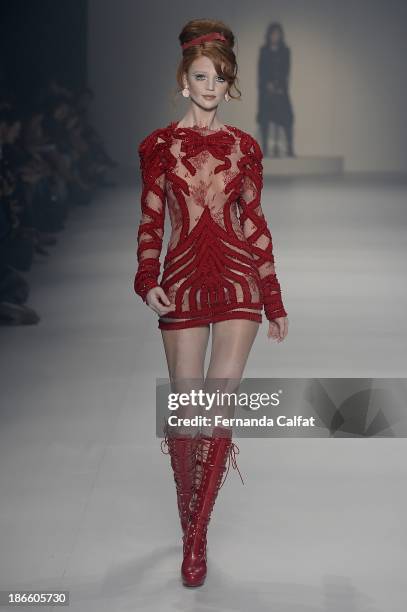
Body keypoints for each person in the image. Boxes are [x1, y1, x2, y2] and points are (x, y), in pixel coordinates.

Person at [133, 18, 289, 587]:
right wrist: (145, 277)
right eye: (202, 75)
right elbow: (151, 219)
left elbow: (256, 223)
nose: (210, 85)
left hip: (238, 281)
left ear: (230, 85)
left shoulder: (245, 148)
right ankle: (187, 521)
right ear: (184, 79)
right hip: (180, 280)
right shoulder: (156, 147)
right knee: (185, 407)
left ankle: (195, 539)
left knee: (217, 411)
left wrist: (273, 298)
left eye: (221, 78)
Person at [257, 22, 295, 157]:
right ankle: (265, 150)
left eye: (278, 33)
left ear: (281, 35)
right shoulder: (264, 51)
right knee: (266, 119)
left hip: (281, 91)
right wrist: (267, 85)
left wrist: (279, 86)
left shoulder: (285, 51)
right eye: (273, 33)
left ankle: (290, 149)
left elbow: (286, 71)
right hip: (266, 92)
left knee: (288, 118)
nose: (275, 36)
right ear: (269, 35)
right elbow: (261, 71)